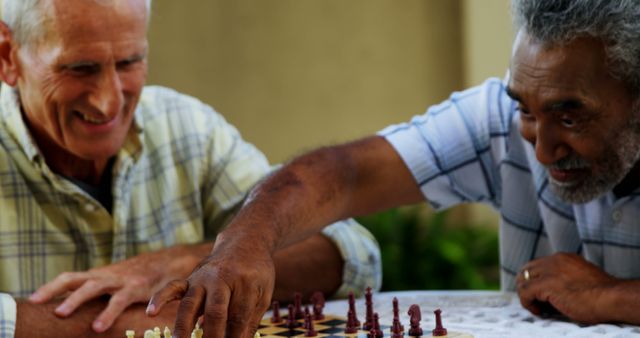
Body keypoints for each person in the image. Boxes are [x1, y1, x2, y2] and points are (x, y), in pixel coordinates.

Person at [148, 0, 640, 336]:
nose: (542, 148)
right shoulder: (497, 120)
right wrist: (242, 246)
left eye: (571, 116)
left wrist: (612, 297)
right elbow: (343, 174)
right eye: (527, 111)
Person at [0, 0, 382, 337]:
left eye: (130, 62)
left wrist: (189, 263)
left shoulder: (187, 129)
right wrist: (107, 325)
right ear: (7, 57)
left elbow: (353, 255)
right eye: (80, 68)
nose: (108, 101)